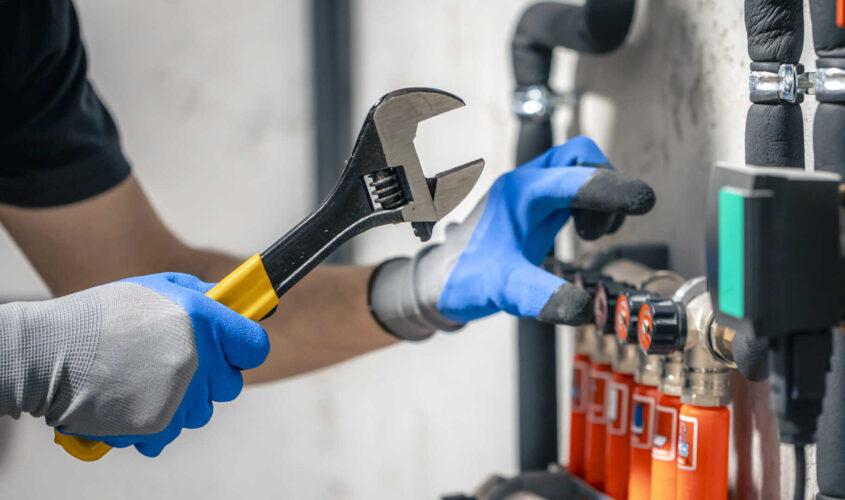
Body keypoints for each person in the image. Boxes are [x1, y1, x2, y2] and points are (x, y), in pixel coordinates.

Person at [0, 0, 655, 457]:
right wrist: (19, 357)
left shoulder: (22, 27)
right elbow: (62, 348)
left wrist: (423, 286)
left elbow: (142, 299)